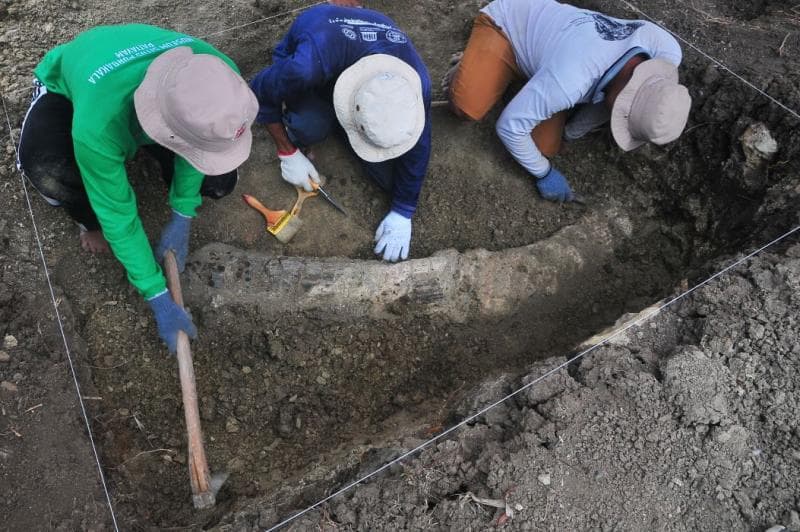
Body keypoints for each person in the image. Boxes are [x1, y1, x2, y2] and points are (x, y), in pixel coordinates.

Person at [16, 24, 259, 352]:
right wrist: (156, 293)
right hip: (74, 86)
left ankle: (147, 151)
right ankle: (88, 223)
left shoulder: (220, 77)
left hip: (160, 98)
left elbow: (198, 145)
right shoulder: (97, 125)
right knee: (50, 171)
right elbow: (118, 214)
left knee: (217, 182)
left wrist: (183, 213)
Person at [443, 0, 692, 202]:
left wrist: (570, 134)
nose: (618, 120)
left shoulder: (667, 52)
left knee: (545, 148)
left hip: (557, 54)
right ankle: (469, 66)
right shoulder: (570, 82)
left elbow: (609, 104)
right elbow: (509, 128)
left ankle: (525, 83)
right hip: (507, 25)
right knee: (467, 105)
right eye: (622, 116)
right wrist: (545, 173)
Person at [249, 3, 432, 262]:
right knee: (310, 126)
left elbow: (419, 146)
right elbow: (261, 90)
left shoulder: (415, 86)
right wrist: (287, 151)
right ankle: (320, 123)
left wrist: (403, 211)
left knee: (393, 182)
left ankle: (342, 126)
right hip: (320, 54)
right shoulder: (305, 66)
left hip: (356, 49)